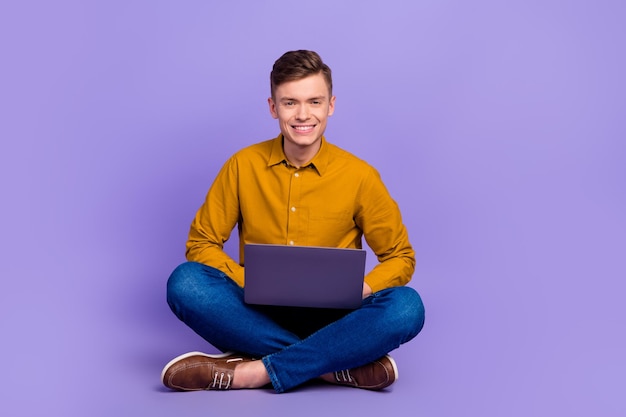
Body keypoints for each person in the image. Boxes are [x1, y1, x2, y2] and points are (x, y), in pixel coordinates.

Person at [162, 50, 425, 393]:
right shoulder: (242, 166)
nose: (303, 114)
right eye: (290, 103)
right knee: (185, 283)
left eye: (314, 101)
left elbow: (400, 258)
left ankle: (253, 372)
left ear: (330, 105)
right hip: (255, 312)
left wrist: (364, 288)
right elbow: (200, 244)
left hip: (337, 317)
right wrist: (245, 280)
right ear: (273, 108)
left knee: (407, 307)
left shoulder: (360, 177)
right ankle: (331, 365)